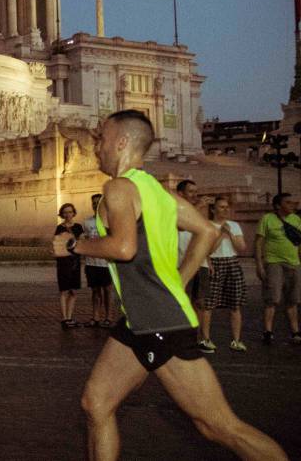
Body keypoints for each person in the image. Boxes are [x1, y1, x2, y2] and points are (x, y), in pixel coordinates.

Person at [55, 109, 285, 460]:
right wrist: (179, 281)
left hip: (159, 322)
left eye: (101, 139)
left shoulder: (118, 188)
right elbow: (207, 231)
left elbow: (123, 247)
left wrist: (74, 245)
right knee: (96, 404)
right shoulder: (156, 191)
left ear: (121, 142)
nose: (96, 147)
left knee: (220, 427)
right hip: (141, 320)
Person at [198, 196, 247, 352]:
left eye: (227, 207)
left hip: (232, 262)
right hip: (214, 263)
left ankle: (236, 340)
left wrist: (230, 234)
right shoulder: (208, 225)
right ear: (213, 209)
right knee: (209, 304)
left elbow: (241, 248)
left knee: (235, 304)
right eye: (221, 207)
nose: (225, 210)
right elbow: (208, 250)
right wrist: (220, 234)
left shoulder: (234, 225)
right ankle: (205, 338)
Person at [256, 192, 301, 345]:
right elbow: (258, 242)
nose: (292, 205)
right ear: (278, 206)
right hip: (273, 263)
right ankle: (268, 331)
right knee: (272, 298)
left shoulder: (296, 220)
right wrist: (259, 264)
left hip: (294, 263)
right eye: (288, 202)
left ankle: (295, 331)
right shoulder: (267, 219)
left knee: (293, 299)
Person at [176, 180, 210, 328]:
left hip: (200, 263)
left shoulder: (199, 211)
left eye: (196, 192)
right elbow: (181, 226)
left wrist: (208, 260)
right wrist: (198, 207)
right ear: (180, 194)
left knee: (201, 302)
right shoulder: (174, 208)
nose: (195, 195)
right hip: (181, 264)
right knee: (183, 301)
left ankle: (199, 336)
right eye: (191, 192)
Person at [81, 194, 114, 328]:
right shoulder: (87, 222)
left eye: (98, 202)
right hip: (91, 262)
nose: (95, 205)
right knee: (95, 291)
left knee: (107, 290)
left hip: (106, 262)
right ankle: (95, 317)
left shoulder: (110, 221)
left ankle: (109, 317)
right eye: (93, 203)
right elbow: (84, 238)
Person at [55, 203, 84, 328]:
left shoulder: (78, 227)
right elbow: (57, 244)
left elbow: (82, 241)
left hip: (75, 262)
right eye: (65, 212)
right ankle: (64, 318)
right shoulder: (59, 228)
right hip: (63, 262)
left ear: (73, 213)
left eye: (70, 212)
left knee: (73, 291)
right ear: (62, 214)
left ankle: (70, 317)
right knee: (64, 291)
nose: (67, 214)